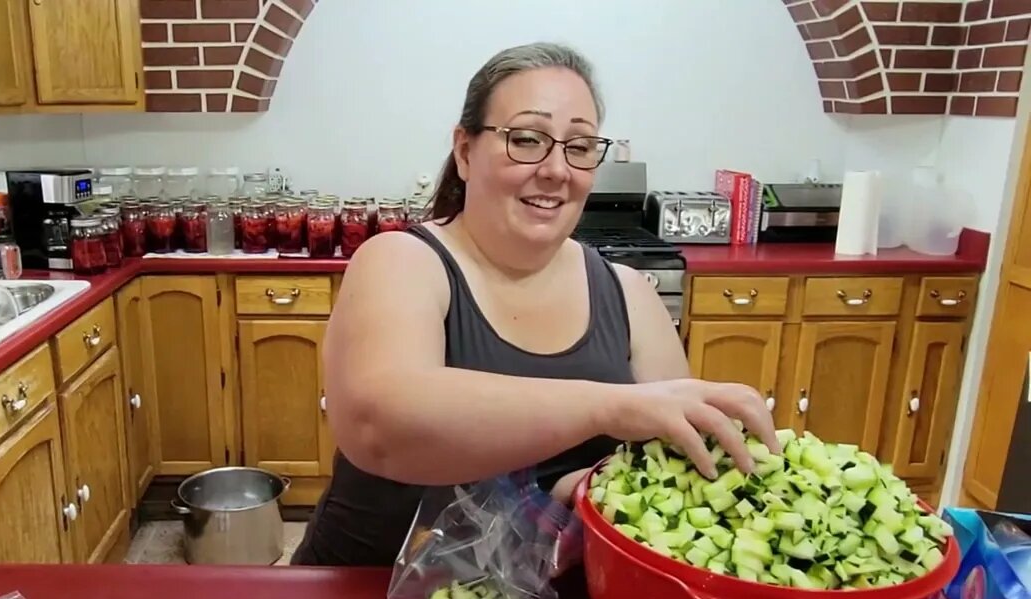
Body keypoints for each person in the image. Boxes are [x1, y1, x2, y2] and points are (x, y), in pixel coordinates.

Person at [290, 42, 777, 567]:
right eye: (526, 139)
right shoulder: (401, 261)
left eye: (581, 146)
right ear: (465, 151)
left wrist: (578, 491)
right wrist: (608, 406)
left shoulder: (630, 294)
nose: (555, 170)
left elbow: (656, 477)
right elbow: (381, 423)